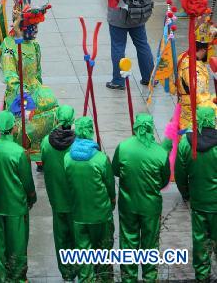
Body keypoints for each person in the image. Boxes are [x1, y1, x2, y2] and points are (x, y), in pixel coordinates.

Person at [111, 113, 170, 283]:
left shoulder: (123, 147)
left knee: (128, 241)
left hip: (128, 205)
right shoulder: (160, 153)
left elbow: (115, 170)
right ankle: (149, 277)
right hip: (151, 206)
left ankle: (128, 277)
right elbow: (164, 181)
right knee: (150, 243)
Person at [0, 110, 36, 283]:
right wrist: (32, 197)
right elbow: (27, 182)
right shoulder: (19, 152)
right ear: (11, 128)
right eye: (14, 123)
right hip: (16, 205)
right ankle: (18, 277)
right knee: (18, 244)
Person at [64, 117, 115, 283]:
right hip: (100, 214)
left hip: (79, 214)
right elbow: (110, 186)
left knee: (83, 253)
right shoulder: (100, 159)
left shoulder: (67, 159)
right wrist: (112, 202)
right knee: (104, 252)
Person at [175, 106, 217, 282]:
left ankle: (202, 274)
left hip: (199, 201)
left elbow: (180, 174)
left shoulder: (186, 143)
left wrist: (187, 194)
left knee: (200, 240)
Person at [40, 105, 77, 282]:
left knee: (61, 238)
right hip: (76, 200)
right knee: (78, 237)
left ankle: (66, 273)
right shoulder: (78, 144)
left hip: (56, 197)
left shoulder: (46, 143)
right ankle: (79, 269)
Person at [175, 18, 217, 130]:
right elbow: (201, 97)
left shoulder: (183, 56)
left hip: (183, 107)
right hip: (193, 114)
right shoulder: (195, 69)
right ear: (203, 50)